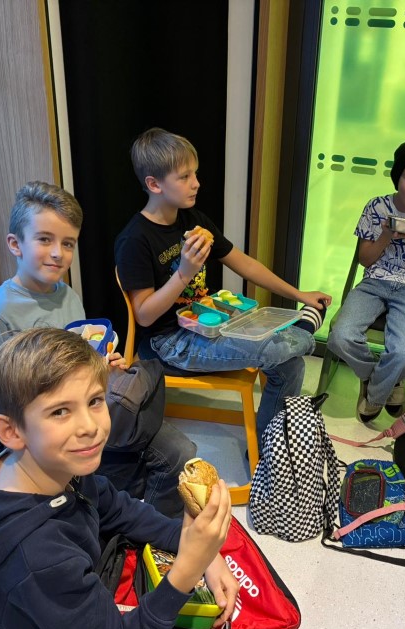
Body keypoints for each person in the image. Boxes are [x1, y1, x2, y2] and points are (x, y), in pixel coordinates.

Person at [0, 328, 237, 629]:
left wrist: (190, 544)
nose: (90, 426)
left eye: (95, 400)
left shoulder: (46, 462)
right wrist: (187, 570)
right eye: (60, 411)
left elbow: (112, 505)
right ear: (11, 431)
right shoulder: (38, 560)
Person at [0, 181, 196, 518]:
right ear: (15, 244)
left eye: (68, 243)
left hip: (84, 414)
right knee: (159, 462)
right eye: (44, 240)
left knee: (179, 451)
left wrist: (101, 365)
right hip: (47, 440)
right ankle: (117, 524)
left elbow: (78, 363)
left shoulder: (67, 295)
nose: (57, 253)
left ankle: (143, 530)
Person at [114, 127, 332, 441]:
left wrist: (299, 294)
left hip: (211, 323)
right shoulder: (135, 239)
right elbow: (145, 315)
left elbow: (244, 263)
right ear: (154, 184)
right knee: (279, 347)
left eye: (195, 173)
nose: (196, 183)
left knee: (291, 366)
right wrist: (184, 273)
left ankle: (269, 447)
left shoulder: (193, 220)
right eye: (185, 177)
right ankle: (304, 332)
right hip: (170, 343)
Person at [327, 140, 405, 422]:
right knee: (340, 336)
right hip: (374, 283)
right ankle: (386, 380)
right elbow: (365, 260)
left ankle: (374, 393)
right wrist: (386, 235)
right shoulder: (376, 207)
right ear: (397, 177)